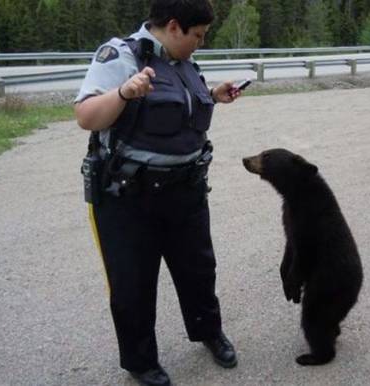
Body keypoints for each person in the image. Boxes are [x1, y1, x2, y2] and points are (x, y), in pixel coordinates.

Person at [74, 1, 242, 385]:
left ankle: (208, 332)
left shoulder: (181, 62)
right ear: (173, 26)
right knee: (133, 282)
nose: (200, 43)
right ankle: (140, 361)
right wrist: (123, 93)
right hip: (129, 198)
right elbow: (85, 116)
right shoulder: (121, 56)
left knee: (199, 270)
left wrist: (213, 95)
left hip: (186, 191)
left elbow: (175, 111)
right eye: (197, 35)